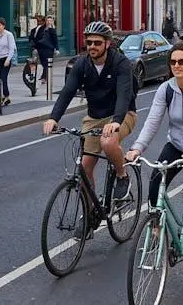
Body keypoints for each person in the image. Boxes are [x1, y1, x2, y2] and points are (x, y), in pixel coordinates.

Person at [127, 42, 183, 262]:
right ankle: (157, 229)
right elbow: (152, 121)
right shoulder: (166, 89)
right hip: (176, 146)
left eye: (182, 61)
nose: (177, 65)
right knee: (155, 181)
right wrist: (137, 148)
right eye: (173, 62)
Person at [44, 21, 137, 201]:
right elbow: (67, 92)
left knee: (108, 142)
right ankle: (91, 213)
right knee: (85, 168)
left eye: (97, 42)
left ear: (107, 43)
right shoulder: (82, 64)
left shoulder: (121, 63)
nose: (92, 46)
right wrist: (53, 118)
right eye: (89, 43)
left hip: (123, 114)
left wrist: (117, 121)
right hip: (94, 117)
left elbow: (124, 95)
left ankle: (122, 175)